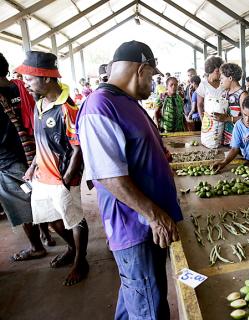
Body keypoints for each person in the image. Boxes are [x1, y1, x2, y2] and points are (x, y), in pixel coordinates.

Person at [77, 40, 182, 319]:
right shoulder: (100, 106)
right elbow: (110, 175)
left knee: (137, 294)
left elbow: (133, 152)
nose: (152, 82)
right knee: (149, 306)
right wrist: (155, 215)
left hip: (147, 222)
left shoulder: (126, 103)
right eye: (151, 75)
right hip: (135, 226)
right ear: (141, 69)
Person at [17, 51, 89, 286]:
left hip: (62, 177)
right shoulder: (39, 105)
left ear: (46, 78)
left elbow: (78, 149)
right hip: (42, 176)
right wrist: (32, 167)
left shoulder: (67, 109)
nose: (25, 84)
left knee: (74, 219)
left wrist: (67, 178)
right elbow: (41, 143)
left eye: (29, 78)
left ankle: (81, 260)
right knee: (51, 220)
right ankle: (71, 248)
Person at [0, 52, 52, 261]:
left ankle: (36, 246)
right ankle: (46, 233)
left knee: (20, 204)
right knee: (37, 197)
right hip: (32, 153)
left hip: (8, 161)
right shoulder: (21, 88)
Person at [215, 63, 248, 146]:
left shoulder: (242, 95)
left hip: (238, 140)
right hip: (225, 138)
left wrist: (228, 118)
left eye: (222, 78)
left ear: (230, 78)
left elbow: (248, 119)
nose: (220, 81)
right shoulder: (225, 93)